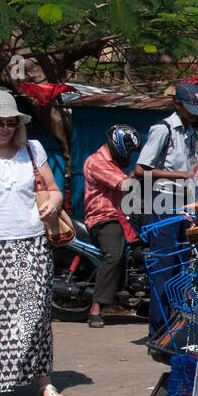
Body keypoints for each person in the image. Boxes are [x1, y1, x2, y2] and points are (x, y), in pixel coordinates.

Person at [0, 90, 65, 396]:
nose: (4, 128)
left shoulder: (32, 150)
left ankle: (44, 383)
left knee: (35, 314)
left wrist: (53, 202)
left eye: (10, 122)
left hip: (31, 243)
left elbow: (53, 189)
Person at [134, 82, 198, 340]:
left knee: (181, 268)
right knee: (163, 269)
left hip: (184, 205)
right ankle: (158, 331)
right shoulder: (162, 129)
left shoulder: (189, 132)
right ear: (177, 104)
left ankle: (173, 331)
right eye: (190, 108)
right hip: (163, 203)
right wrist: (181, 175)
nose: (194, 113)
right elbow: (141, 170)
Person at [82, 125, 141, 327]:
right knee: (114, 255)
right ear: (120, 146)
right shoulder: (97, 162)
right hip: (104, 218)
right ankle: (96, 309)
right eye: (130, 151)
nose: (130, 155)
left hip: (121, 215)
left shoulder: (114, 163)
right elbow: (124, 185)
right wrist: (144, 175)